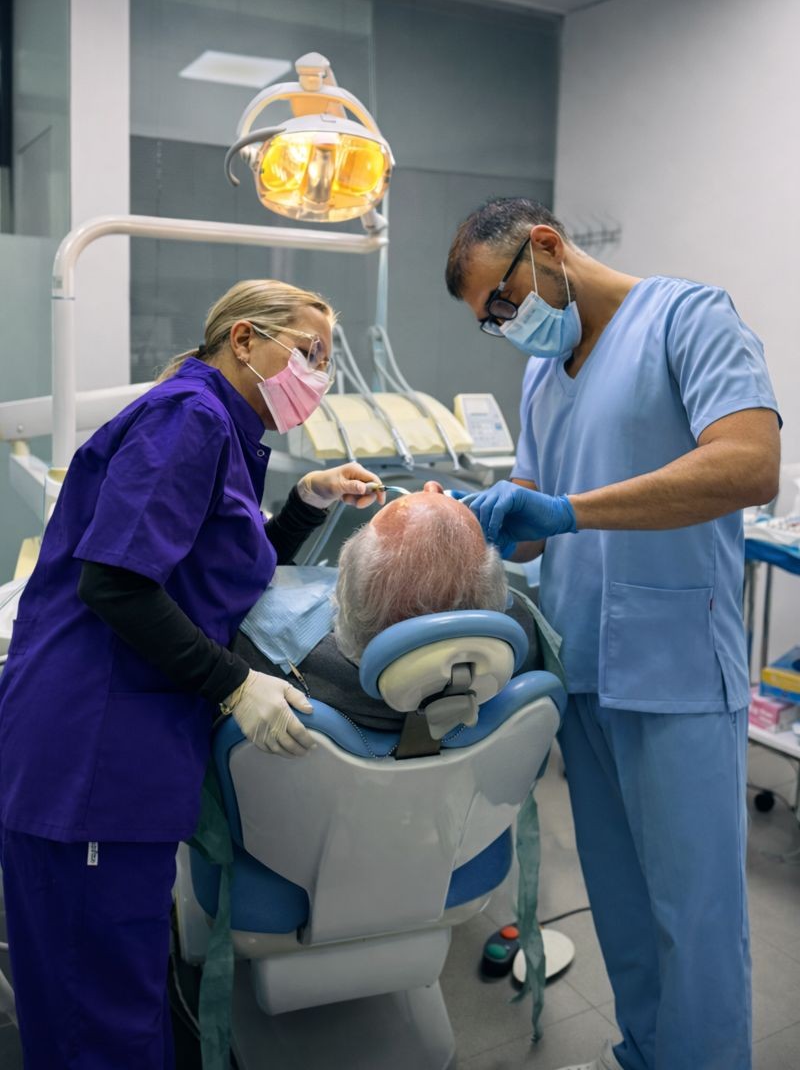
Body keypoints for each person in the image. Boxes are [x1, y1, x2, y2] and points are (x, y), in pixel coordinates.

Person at [0, 278, 385, 1068]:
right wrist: (234, 684)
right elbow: (115, 584)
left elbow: (209, 576)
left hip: (126, 743)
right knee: (95, 1015)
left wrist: (307, 504)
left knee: (119, 988)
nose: (316, 373)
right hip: (89, 754)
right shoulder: (191, 417)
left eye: (326, 361)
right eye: (306, 352)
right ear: (244, 339)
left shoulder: (226, 430)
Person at [444, 198, 781, 1070]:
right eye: (491, 322)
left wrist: (564, 510)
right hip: (585, 669)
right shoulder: (544, 374)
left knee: (694, 918)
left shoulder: (689, 317)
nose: (506, 328)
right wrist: (466, 515)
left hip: (674, 671)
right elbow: (527, 520)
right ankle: (644, 1052)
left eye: (503, 305)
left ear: (546, 249)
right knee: (624, 908)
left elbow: (749, 463)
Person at [234, 481, 549, 727]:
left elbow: (236, 575)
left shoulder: (269, 647)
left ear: (345, 589)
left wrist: (301, 507)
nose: (431, 486)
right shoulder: (519, 641)